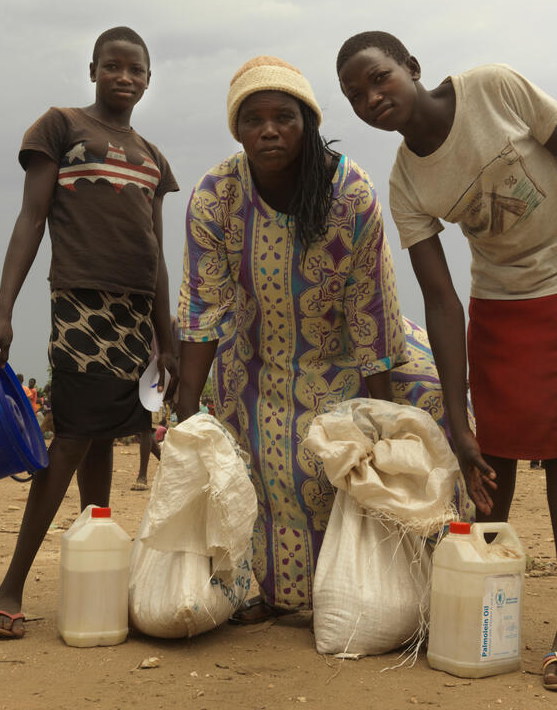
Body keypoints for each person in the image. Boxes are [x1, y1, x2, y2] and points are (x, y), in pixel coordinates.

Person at [336, 32, 557, 691]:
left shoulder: (493, 87)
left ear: (411, 68)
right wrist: (459, 417)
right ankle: (481, 610)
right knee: (489, 458)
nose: (371, 97)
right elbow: (440, 302)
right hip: (497, 302)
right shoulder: (406, 182)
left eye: (379, 78)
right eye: (354, 94)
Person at [175, 56, 462, 623]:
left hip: (353, 357)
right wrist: (188, 410)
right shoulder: (216, 198)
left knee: (425, 406)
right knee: (263, 450)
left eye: (284, 117)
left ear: (306, 122)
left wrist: (379, 411)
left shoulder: (348, 192)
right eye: (253, 120)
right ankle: (266, 589)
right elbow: (202, 309)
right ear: (238, 130)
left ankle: (424, 579)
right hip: (256, 357)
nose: (269, 130)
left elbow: (371, 307)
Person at [0, 26, 179, 639]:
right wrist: (3, 311)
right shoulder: (60, 127)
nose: (124, 78)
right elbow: (31, 218)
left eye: (136, 70)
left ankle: (95, 572)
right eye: (112, 66)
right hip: (82, 307)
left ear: (148, 79)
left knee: (106, 437)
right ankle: (10, 585)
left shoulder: (152, 158)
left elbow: (157, 254)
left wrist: (165, 338)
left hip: (137, 314)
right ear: (93, 69)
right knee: (72, 438)